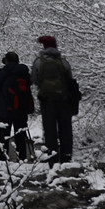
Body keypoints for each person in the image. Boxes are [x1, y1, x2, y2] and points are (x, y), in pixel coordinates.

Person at [31, 35, 77, 165]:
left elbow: (34, 79)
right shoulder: (63, 62)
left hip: (47, 101)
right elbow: (70, 79)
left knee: (49, 129)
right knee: (65, 129)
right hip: (64, 100)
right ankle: (66, 158)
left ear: (44, 47)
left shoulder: (38, 62)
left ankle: (52, 159)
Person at [0, 51, 35, 162]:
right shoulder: (24, 73)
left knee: (4, 136)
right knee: (21, 135)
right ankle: (22, 159)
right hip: (21, 109)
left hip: (5, 110)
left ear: (6, 61)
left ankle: (3, 160)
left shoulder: (1, 73)